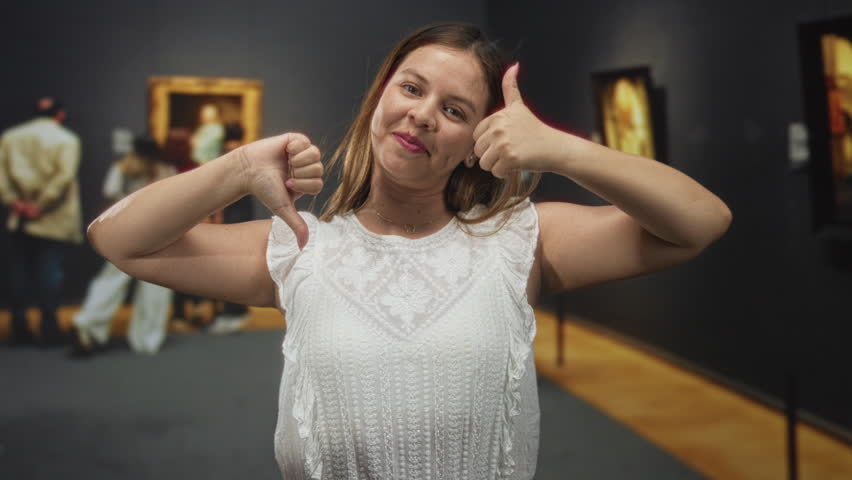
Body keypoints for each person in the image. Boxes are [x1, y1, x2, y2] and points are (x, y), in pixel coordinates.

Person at [87, 24, 732, 479]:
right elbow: (118, 240)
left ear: (476, 142)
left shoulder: (515, 241)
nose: (423, 115)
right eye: (412, 88)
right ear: (380, 98)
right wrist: (236, 168)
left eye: (454, 110)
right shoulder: (303, 247)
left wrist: (562, 150)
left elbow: (700, 222)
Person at [70, 136, 176, 356]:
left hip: (126, 229)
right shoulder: (166, 171)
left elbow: (110, 194)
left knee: (110, 281)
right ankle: (146, 339)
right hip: (159, 231)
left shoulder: (122, 168)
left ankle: (89, 325)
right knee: (156, 286)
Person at [0, 97, 82, 347]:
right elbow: (64, 177)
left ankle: (19, 327)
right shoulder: (66, 139)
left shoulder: (11, 137)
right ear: (60, 115)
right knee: (50, 273)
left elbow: (2, 175)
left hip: (20, 218)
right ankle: (49, 328)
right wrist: (41, 204)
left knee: (19, 273)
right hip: (52, 219)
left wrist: (14, 202)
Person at [207, 123, 255, 334]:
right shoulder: (247, 152)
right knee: (238, 263)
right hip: (243, 212)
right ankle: (237, 311)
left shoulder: (226, 154)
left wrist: (216, 214)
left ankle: (232, 313)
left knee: (227, 265)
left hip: (230, 212)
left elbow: (220, 188)